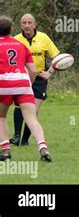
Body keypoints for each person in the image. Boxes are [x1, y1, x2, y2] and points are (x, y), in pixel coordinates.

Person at [0, 15, 52, 162]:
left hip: (3, 84)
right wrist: (28, 84)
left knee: (1, 117)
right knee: (31, 118)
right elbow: (32, 70)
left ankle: (6, 151)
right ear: (11, 29)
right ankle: (43, 148)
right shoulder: (21, 45)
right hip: (23, 83)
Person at [10, 14, 60, 146]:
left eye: (29, 22)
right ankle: (16, 137)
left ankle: (25, 140)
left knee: (34, 110)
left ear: (35, 24)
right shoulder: (15, 40)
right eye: (24, 23)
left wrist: (49, 73)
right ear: (21, 25)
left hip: (39, 79)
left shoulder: (43, 38)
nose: (27, 25)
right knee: (20, 107)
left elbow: (58, 58)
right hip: (22, 78)